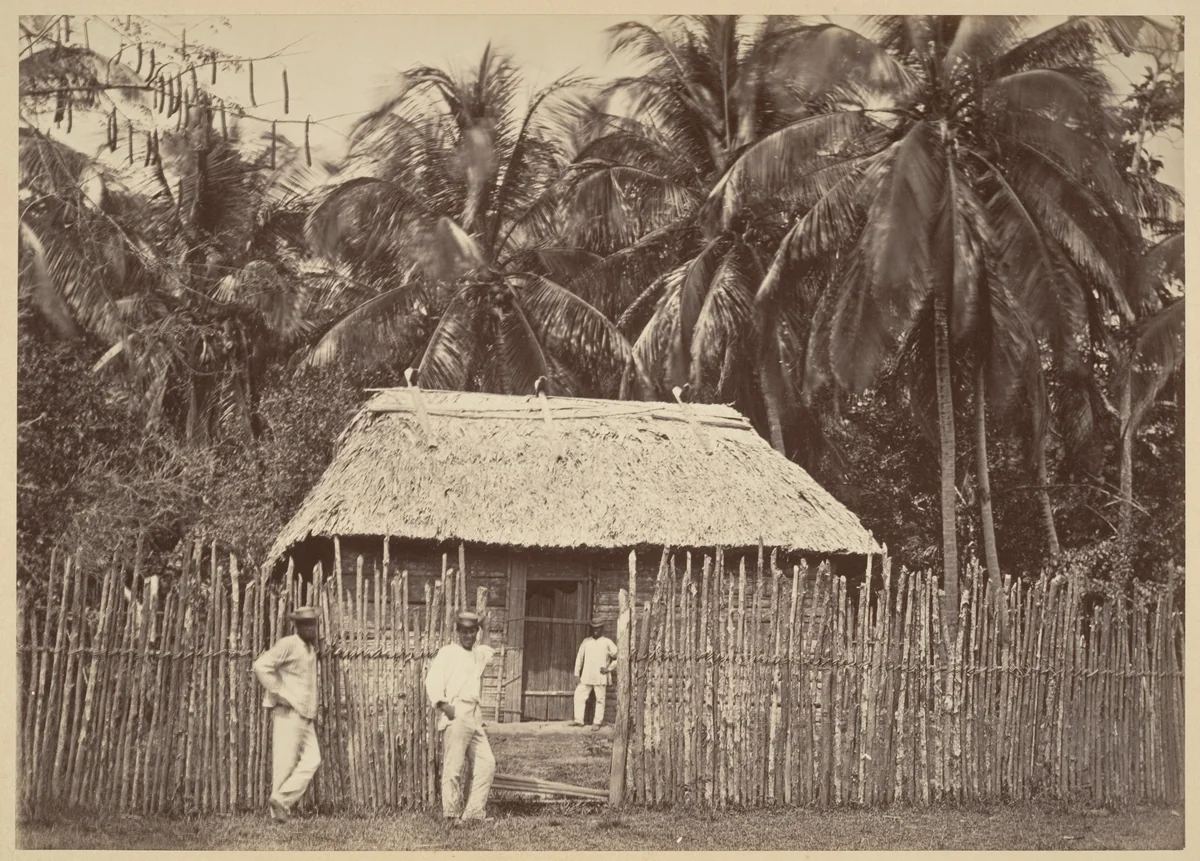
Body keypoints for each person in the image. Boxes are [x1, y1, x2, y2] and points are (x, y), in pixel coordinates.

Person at [425, 610, 496, 823]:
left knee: (486, 763)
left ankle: (474, 813)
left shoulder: (477, 655)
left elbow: (488, 650)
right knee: (454, 766)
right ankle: (451, 815)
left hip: (474, 715)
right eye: (464, 632)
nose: (468, 636)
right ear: (457, 632)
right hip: (456, 712)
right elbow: (432, 680)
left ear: (476, 632)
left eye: (472, 631)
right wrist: (444, 705)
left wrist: (486, 624)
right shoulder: (448, 652)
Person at [253, 606, 321, 823]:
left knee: (313, 760)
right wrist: (277, 692)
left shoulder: (310, 649)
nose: (310, 628)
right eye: (305, 624)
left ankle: (281, 800)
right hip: (288, 713)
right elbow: (261, 666)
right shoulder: (288, 644)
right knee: (284, 764)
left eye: (313, 623)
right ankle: (277, 816)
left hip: (306, 714)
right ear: (296, 625)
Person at [569, 619, 616, 730]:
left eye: (598, 628)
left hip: (600, 676)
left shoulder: (607, 642)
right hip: (586, 675)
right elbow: (579, 658)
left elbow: (618, 656)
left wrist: (609, 669)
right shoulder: (586, 642)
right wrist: (577, 674)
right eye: (594, 628)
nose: (596, 630)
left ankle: (597, 722)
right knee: (579, 696)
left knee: (600, 699)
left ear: (602, 629)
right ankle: (579, 720)